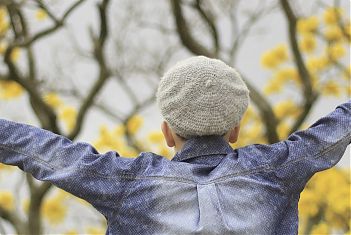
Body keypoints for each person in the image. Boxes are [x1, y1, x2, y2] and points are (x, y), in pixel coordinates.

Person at [0, 56, 350, 235]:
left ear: (168, 133)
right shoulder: (276, 171)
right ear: (235, 129)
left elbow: (46, 152)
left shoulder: (129, 184)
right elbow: (336, 128)